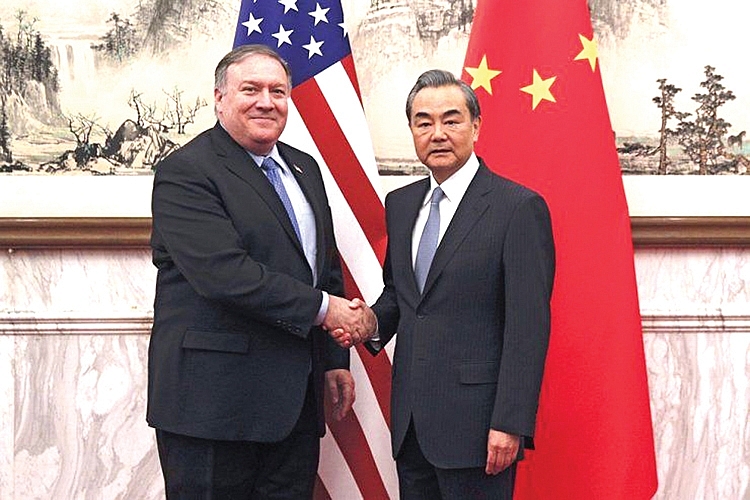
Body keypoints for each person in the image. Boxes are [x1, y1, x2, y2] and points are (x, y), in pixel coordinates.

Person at [147, 44, 375, 499]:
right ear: (219, 97)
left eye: (278, 91)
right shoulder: (186, 171)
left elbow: (323, 267)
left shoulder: (304, 168)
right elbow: (225, 276)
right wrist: (328, 311)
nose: (266, 102)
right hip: (214, 410)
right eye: (250, 90)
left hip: (295, 407)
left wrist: (334, 360)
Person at [352, 69, 556, 499]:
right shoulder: (401, 204)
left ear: (476, 126)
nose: (438, 134)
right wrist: (367, 323)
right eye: (424, 122)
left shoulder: (517, 208)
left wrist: (510, 422)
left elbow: (528, 328)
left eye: (452, 120)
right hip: (412, 426)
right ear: (412, 130)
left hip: (479, 429)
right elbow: (403, 296)